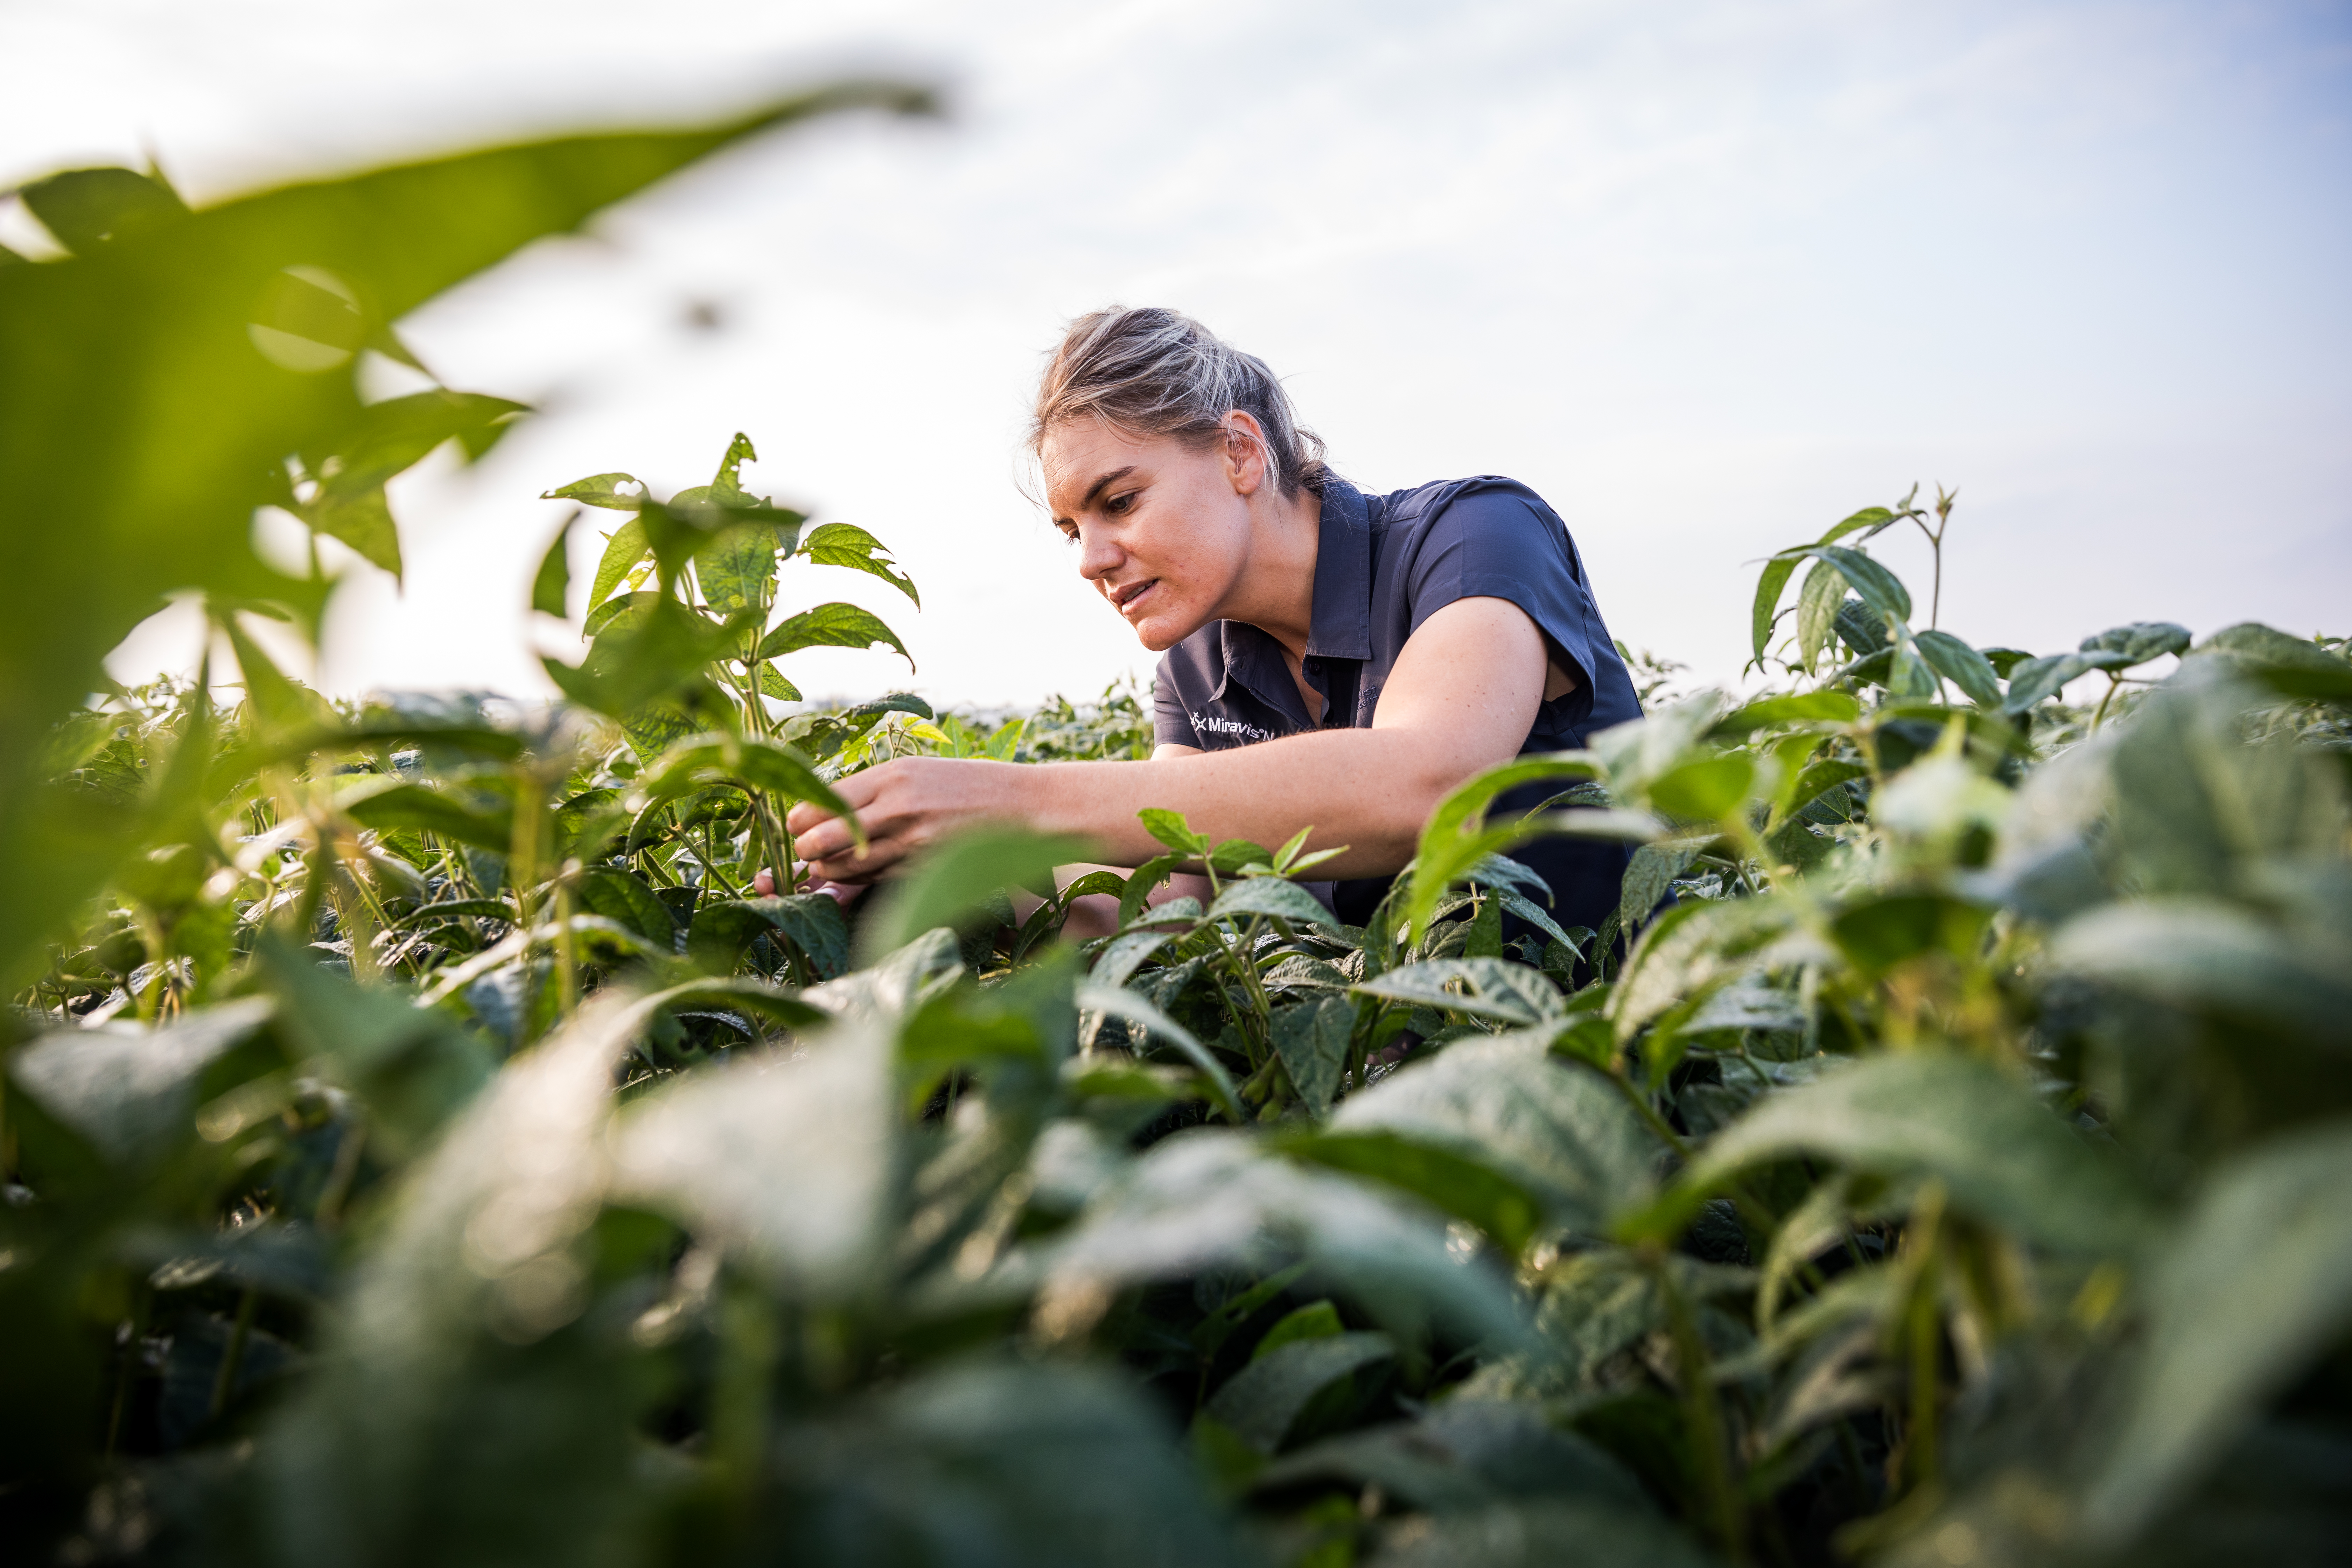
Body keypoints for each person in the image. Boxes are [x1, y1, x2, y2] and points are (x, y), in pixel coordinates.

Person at [768, 306, 1644, 945]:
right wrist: (946, 883)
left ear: (1239, 450)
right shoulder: (1199, 658)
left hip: (1620, 1058)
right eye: (1074, 530)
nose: (1090, 559)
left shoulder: (1473, 537)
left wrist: (1010, 798)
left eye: (1119, 501)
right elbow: (1170, 895)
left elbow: (1424, 783)